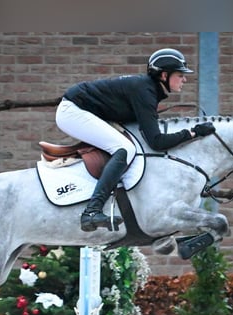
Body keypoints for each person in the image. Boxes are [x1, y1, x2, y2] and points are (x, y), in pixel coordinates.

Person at [56, 48, 216, 232]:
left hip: (85, 110)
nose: (184, 80)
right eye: (180, 75)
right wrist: (193, 132)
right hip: (73, 112)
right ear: (164, 75)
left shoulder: (148, 89)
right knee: (124, 148)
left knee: (130, 145)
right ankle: (92, 211)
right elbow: (157, 142)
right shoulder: (145, 91)